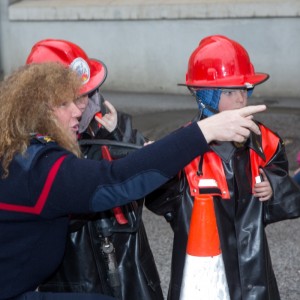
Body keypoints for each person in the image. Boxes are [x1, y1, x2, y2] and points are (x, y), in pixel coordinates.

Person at [0, 60, 266, 299]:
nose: (78, 111)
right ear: (36, 111)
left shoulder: (20, 154)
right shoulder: (40, 166)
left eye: (76, 100)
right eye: (63, 104)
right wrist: (204, 131)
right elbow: (116, 182)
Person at [145, 35, 300, 300]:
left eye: (244, 89)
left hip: (253, 269)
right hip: (202, 269)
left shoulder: (265, 141)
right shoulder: (183, 147)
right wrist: (156, 164)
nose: (241, 98)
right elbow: (161, 203)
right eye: (229, 92)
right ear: (206, 96)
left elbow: (285, 184)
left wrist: (274, 186)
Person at [25, 39, 162, 300]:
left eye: (87, 94)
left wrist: (121, 141)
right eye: (72, 100)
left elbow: (158, 194)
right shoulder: (33, 154)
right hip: (73, 280)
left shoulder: (113, 126)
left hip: (131, 271)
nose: (83, 106)